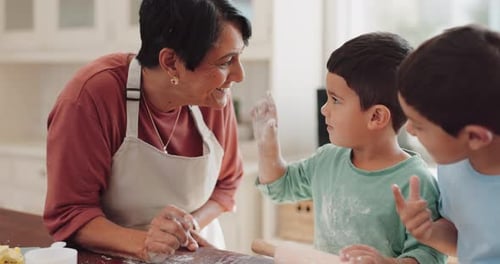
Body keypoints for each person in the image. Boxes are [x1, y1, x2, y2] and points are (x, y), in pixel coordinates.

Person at [43, 0, 251, 262]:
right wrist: (148, 244)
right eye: (226, 61)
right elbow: (70, 213)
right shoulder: (90, 97)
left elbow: (227, 184)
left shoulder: (213, 98)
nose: (239, 74)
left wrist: (188, 228)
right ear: (171, 62)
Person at [251, 32, 446, 264]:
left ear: (376, 116)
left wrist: (388, 263)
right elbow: (280, 186)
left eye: (335, 100)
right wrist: (267, 144)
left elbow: (429, 255)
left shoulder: (414, 181)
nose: (324, 109)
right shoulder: (327, 159)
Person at [392, 24, 500, 264]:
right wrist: (428, 231)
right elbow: (465, 240)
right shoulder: (454, 164)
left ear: (475, 137)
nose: (409, 129)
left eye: (419, 125)